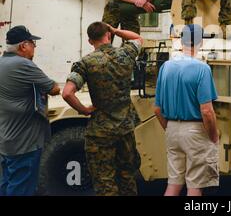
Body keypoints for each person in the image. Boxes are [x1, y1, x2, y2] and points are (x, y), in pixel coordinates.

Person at [62, 22, 143, 196]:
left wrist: (83, 110)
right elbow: (137, 38)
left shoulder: (85, 63)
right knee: (127, 176)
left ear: (90, 41)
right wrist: (115, 30)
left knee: (104, 181)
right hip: (126, 129)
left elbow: (67, 93)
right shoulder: (126, 54)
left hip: (101, 131)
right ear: (109, 35)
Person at [154, 24, 219, 196]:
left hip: (172, 129)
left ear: (181, 41)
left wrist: (169, 128)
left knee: (174, 184)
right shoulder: (202, 69)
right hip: (195, 131)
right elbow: (207, 111)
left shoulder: (165, 67)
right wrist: (213, 135)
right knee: (195, 185)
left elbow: (157, 109)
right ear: (201, 42)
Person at [0, 25, 60, 196]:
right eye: (33, 43)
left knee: (7, 183)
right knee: (22, 188)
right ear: (23, 46)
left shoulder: (2, 62)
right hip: (24, 142)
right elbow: (54, 88)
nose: (34, 47)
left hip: (6, 139)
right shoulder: (23, 65)